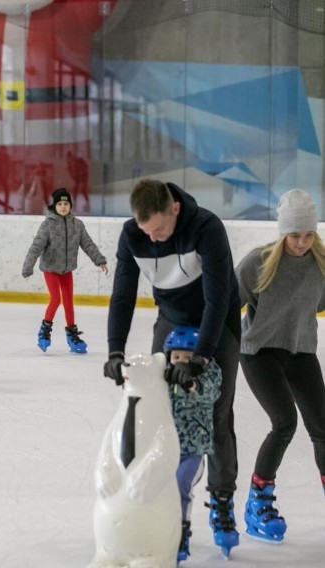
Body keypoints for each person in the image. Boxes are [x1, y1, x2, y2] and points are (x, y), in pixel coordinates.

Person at [103, 179, 242, 557]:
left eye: (160, 229)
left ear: (175, 209)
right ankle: (169, 514)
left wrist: (201, 358)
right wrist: (115, 350)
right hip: (171, 319)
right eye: (147, 231)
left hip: (218, 323)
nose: (155, 239)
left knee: (216, 414)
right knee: (161, 412)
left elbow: (217, 300)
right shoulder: (133, 235)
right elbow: (122, 294)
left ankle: (222, 499)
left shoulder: (207, 228)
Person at [234, 188, 325, 542]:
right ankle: (258, 501)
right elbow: (227, 304)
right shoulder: (258, 262)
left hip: (301, 351)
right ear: (282, 232)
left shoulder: (320, 265)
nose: (301, 243)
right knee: (284, 422)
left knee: (322, 428)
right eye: (294, 235)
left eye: (308, 234)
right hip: (259, 352)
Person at [162, 326, 223, 563]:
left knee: (180, 486)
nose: (180, 362)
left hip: (193, 451)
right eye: (176, 357)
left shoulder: (209, 374)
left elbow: (211, 392)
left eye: (187, 358)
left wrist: (192, 384)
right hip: (166, 448)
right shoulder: (164, 374)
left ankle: (181, 533)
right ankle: (159, 530)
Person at [22, 187, 107, 353]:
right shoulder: (47, 225)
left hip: (66, 271)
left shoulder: (77, 225)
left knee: (69, 302)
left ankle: (72, 336)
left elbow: (88, 244)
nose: (63, 206)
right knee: (56, 299)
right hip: (50, 269)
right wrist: (28, 265)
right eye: (59, 203)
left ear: (70, 205)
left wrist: (99, 260)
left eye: (66, 203)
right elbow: (36, 247)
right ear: (54, 206)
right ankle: (44, 333)